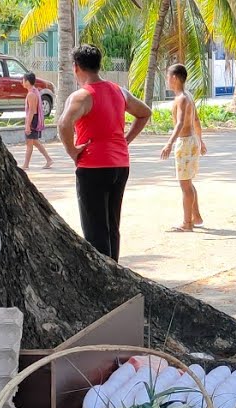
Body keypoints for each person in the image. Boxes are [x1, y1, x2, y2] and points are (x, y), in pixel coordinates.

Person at [57, 44, 151, 261]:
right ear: (98, 65)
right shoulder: (119, 91)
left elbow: (63, 124)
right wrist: (125, 141)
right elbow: (144, 113)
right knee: (111, 225)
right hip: (120, 166)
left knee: (95, 229)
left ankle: (103, 273)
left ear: (76, 67)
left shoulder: (82, 96)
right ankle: (114, 269)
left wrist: (72, 151)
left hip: (93, 167)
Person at [160, 64, 207, 232]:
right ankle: (196, 216)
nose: (167, 79)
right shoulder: (188, 96)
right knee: (188, 181)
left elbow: (180, 123)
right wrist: (200, 140)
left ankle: (187, 223)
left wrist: (169, 143)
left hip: (185, 142)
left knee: (185, 185)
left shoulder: (181, 98)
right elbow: (196, 120)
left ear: (174, 78)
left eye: (167, 76)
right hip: (192, 140)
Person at [20, 73, 53, 170]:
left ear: (27, 82)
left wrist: (27, 125)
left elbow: (32, 111)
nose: (22, 82)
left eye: (23, 80)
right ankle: (48, 159)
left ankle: (26, 165)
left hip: (32, 120)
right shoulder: (34, 91)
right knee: (35, 142)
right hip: (34, 119)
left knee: (29, 143)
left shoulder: (31, 94)